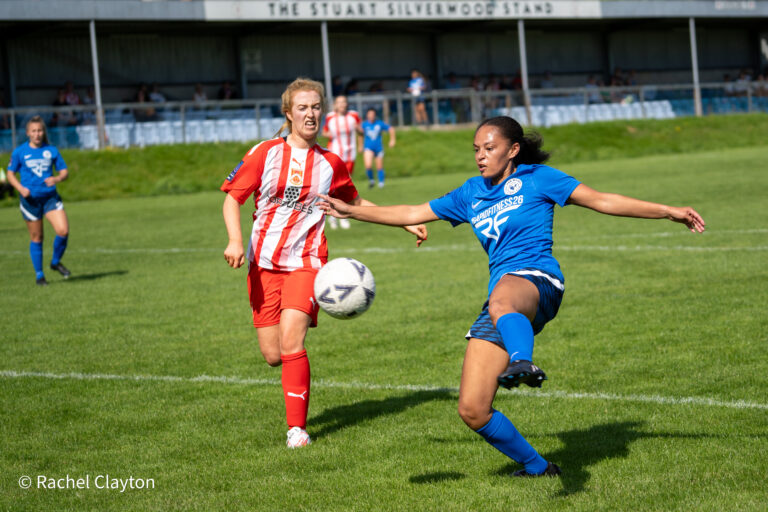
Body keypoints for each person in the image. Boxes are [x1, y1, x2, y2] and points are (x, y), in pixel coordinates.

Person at [318, 116, 705, 476]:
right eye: (476, 149)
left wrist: (667, 210)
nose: (480, 156)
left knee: (502, 297)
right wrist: (353, 211)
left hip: (539, 282)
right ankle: (538, 467)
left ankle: (523, 362)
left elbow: (602, 200)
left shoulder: (539, 179)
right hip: (503, 301)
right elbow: (412, 211)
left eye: (489, 148)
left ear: (513, 150)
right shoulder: (470, 193)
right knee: (472, 409)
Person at [221, 78, 426, 449]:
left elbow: (356, 203)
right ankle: (293, 382)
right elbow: (232, 199)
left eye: (316, 107)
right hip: (263, 264)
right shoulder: (265, 153)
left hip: (308, 263)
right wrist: (236, 240)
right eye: (303, 107)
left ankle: (296, 430)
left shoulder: (331, 163)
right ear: (289, 114)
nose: (311, 113)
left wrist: (404, 219)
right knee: (272, 355)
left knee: (291, 340)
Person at [6, 115, 72, 286]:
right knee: (37, 237)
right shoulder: (19, 152)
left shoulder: (51, 150)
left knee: (63, 230)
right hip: (30, 201)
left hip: (50, 198)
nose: (37, 134)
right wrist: (21, 188)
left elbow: (64, 172)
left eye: (40, 130)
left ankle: (55, 262)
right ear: (28, 133)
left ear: (44, 132)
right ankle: (39, 276)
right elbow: (10, 174)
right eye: (34, 131)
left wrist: (56, 179)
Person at [322, 95, 362, 229]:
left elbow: (360, 131)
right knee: (335, 185)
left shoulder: (353, 116)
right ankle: (335, 215)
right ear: (335, 104)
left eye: (344, 102)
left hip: (350, 153)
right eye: (339, 102)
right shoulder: (330, 117)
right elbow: (324, 132)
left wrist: (360, 139)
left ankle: (341, 215)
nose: (342, 104)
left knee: (345, 185)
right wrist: (330, 134)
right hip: (336, 154)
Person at [360, 108, 395, 189]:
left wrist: (392, 140)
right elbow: (360, 134)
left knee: (379, 166)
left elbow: (391, 129)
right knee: (368, 165)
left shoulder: (379, 123)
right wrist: (360, 145)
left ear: (375, 115)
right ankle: (371, 180)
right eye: (370, 114)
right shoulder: (364, 125)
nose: (371, 116)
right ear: (367, 115)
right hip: (368, 147)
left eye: (373, 114)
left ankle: (381, 183)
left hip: (378, 148)